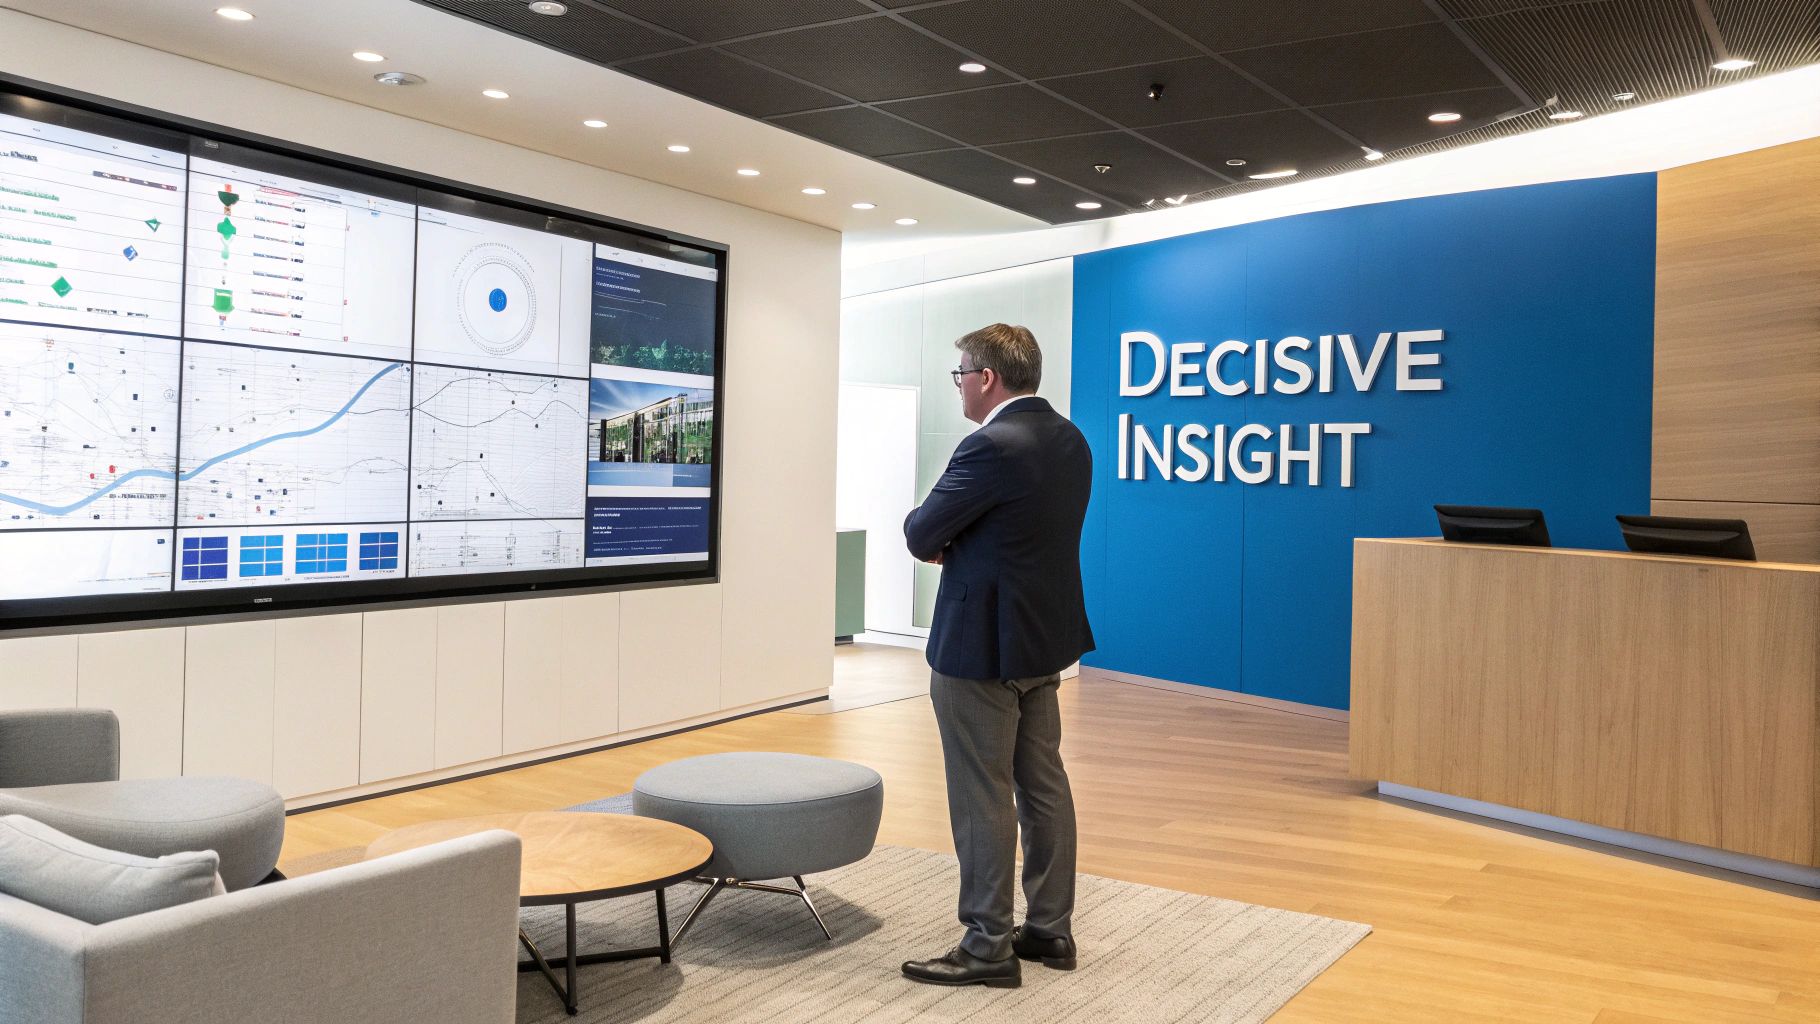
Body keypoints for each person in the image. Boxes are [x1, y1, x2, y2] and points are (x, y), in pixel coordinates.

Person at [899, 323, 1094, 989]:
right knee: (1044, 784)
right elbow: (1022, 534)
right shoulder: (1071, 440)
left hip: (980, 648)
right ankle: (1049, 928)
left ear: (986, 379)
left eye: (959, 374)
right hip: (1045, 644)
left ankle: (987, 946)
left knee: (982, 793)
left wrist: (940, 538)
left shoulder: (988, 446)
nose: (957, 385)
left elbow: (923, 531)